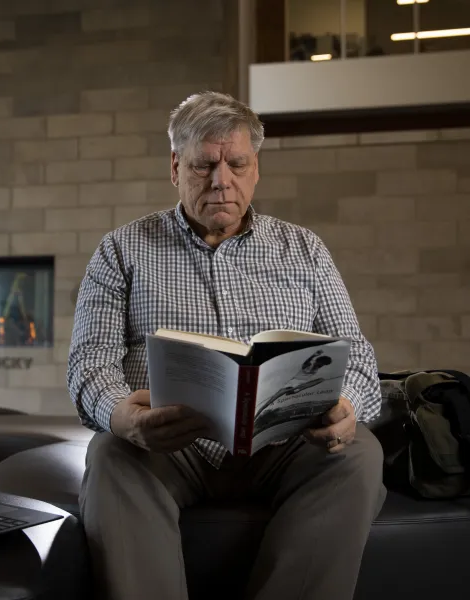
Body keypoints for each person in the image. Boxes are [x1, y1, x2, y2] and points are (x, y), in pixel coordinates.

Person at [67, 91, 385, 600]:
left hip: (286, 444)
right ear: (175, 166)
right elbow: (89, 363)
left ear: (255, 168)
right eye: (204, 166)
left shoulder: (304, 250)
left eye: (236, 163)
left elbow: (360, 360)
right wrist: (123, 417)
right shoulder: (122, 250)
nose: (222, 180)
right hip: (171, 446)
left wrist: (348, 405)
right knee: (110, 453)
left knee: (359, 452)